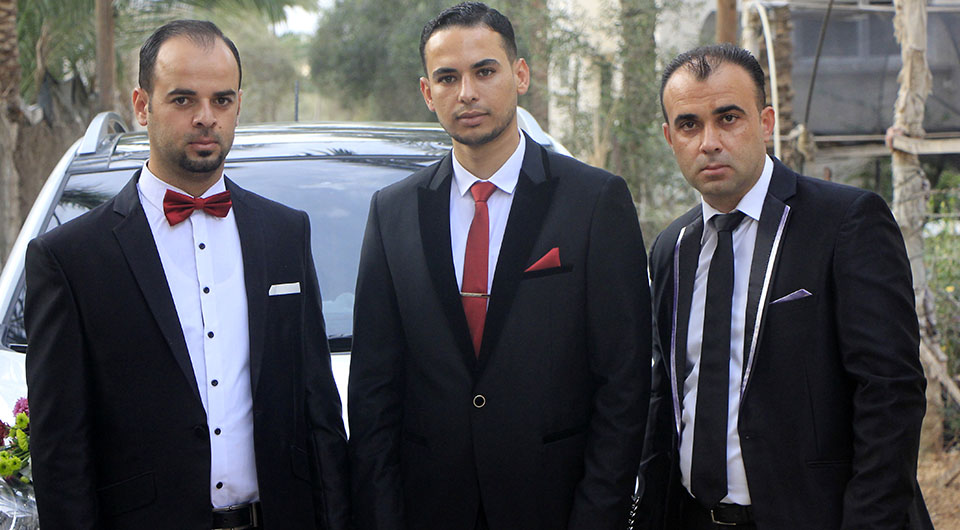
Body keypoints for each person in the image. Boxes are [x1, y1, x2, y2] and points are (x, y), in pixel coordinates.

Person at [24, 20, 349, 529]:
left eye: (222, 100)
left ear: (238, 105)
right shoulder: (70, 258)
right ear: (142, 105)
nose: (205, 117)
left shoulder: (285, 233)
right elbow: (59, 450)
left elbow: (319, 410)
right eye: (182, 100)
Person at [347, 3, 651, 529]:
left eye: (484, 71)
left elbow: (623, 383)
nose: (467, 92)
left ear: (520, 75)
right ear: (427, 92)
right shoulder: (393, 211)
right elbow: (373, 389)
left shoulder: (595, 201)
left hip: (554, 505)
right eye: (448, 77)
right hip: (430, 507)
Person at [636, 43, 931, 529]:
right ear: (670, 137)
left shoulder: (845, 222)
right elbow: (664, 395)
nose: (709, 141)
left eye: (728, 118)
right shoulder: (672, 247)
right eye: (689, 124)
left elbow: (890, 393)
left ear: (766, 121)